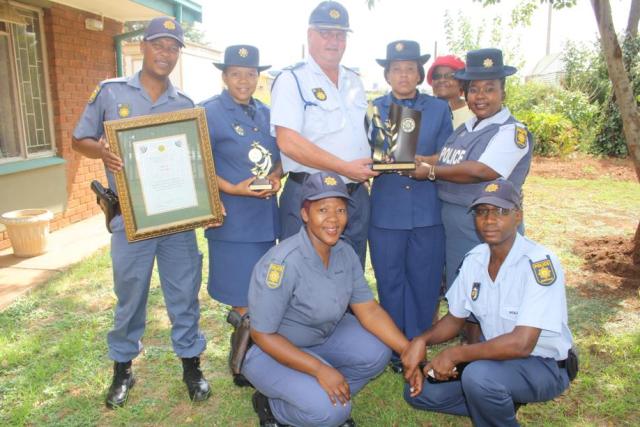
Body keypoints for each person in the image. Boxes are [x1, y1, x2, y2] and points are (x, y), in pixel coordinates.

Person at [72, 17, 210, 408]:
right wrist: (102, 151)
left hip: (176, 219)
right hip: (130, 219)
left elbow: (194, 162)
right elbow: (79, 139)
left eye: (173, 47)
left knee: (184, 292)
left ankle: (191, 366)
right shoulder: (111, 92)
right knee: (130, 294)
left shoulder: (185, 105)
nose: (165, 53)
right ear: (143, 46)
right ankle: (123, 369)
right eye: (159, 45)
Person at [241, 171, 422, 427]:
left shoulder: (344, 253)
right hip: (270, 352)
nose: (333, 219)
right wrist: (319, 369)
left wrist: (406, 350)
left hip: (320, 338)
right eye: (322, 210)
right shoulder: (282, 263)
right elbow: (262, 335)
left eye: (340, 210)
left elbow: (369, 310)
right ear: (305, 214)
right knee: (333, 413)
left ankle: (328, 394)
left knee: (377, 352)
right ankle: (272, 406)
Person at [402, 178, 574, 427]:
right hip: (495, 359)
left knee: (479, 377)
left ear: (518, 216)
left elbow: (522, 344)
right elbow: (455, 318)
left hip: (543, 365)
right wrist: (421, 340)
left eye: (501, 211)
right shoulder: (475, 259)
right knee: (420, 393)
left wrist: (456, 354)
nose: (490, 220)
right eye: (482, 212)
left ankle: (492, 396)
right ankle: (496, 400)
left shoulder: (538, 263)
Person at [270, 1, 378, 267]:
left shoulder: (354, 81)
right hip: (311, 195)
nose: (334, 41)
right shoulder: (292, 79)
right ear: (310, 36)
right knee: (304, 273)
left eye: (340, 35)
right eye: (325, 33)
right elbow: (288, 142)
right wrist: (345, 168)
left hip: (353, 195)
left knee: (350, 270)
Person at [417, 48, 533, 289]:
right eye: (474, 89)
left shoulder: (512, 131)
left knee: (490, 293)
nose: (480, 96)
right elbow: (448, 158)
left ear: (503, 93)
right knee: (460, 292)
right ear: (466, 93)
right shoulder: (466, 127)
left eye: (489, 89)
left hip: (489, 224)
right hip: (456, 227)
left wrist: (430, 171)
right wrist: (422, 160)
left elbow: (480, 170)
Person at [369, 40, 452, 373]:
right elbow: (370, 156)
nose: (403, 75)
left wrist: (423, 161)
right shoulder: (374, 108)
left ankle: (418, 346)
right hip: (386, 211)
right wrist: (383, 160)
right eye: (396, 69)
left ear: (419, 74)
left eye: (410, 69)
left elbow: (449, 154)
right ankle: (395, 348)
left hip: (426, 210)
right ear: (387, 74)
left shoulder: (438, 109)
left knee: (424, 282)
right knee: (390, 281)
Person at [200, 45, 281, 384]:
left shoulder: (267, 113)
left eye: (250, 74)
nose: (244, 80)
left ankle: (255, 358)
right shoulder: (207, 112)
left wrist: (276, 176)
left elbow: (281, 156)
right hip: (232, 219)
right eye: (236, 74)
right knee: (241, 298)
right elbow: (196, 161)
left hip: (265, 219)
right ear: (224, 76)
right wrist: (232, 189)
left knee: (263, 294)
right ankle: (242, 365)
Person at [427, 54, 474, 129]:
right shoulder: (424, 111)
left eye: (449, 76)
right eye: (437, 76)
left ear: (461, 83)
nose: (442, 80)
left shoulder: (474, 113)